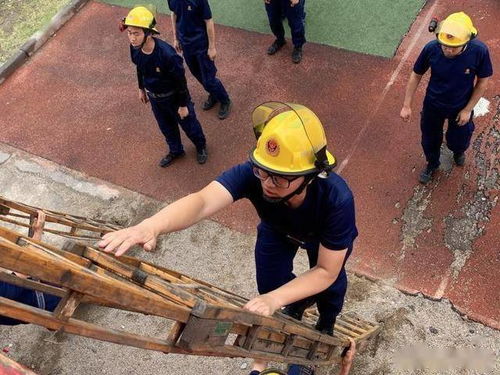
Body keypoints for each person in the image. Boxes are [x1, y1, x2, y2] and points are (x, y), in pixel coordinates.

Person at [99, 102, 357, 375]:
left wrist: (274, 300)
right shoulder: (255, 175)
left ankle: (326, 323)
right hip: (277, 229)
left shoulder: (336, 200)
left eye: (281, 179)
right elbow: (202, 200)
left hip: (321, 237)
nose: (267, 183)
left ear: (309, 176)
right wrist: (151, 226)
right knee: (269, 283)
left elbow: (326, 270)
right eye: (263, 171)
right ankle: (295, 307)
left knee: (330, 288)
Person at [400, 12, 493, 184]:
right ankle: (432, 163)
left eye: (453, 47)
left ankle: (458, 151)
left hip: (461, 106)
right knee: (429, 137)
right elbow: (416, 75)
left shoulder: (479, 52)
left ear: (466, 41)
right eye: (444, 46)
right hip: (433, 105)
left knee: (460, 137)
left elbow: (482, 82)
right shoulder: (431, 48)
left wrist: (467, 109)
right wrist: (407, 105)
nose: (448, 50)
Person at [120, 6, 208, 168]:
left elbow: (181, 81)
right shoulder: (135, 50)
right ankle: (176, 150)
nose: (132, 38)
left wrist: (183, 105)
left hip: (174, 97)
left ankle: (201, 145)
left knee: (190, 126)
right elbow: (140, 68)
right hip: (155, 98)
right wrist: (141, 89)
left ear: (148, 33)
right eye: (129, 33)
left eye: (136, 33)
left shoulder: (167, 55)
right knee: (166, 127)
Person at [168, 0, 232, 120]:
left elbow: (208, 21)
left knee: (209, 79)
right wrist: (176, 38)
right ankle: (214, 94)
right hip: (186, 45)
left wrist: (212, 47)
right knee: (197, 74)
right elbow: (174, 14)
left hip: (201, 45)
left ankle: (225, 100)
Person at [0, 211, 61, 325]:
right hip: (48, 302)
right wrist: (38, 232)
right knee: (58, 267)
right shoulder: (5, 289)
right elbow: (26, 265)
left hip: (25, 307)